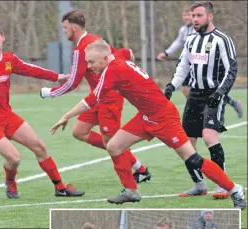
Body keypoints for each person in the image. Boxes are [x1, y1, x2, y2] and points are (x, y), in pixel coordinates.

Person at [50, 38, 245, 209]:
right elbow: (128, 52)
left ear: (104, 58)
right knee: (114, 146)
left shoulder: (114, 69)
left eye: (91, 62)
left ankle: (235, 189)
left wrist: (66, 116)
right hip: (146, 116)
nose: (89, 67)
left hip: (164, 117)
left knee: (192, 159)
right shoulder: (118, 60)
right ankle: (131, 191)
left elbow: (92, 99)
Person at [0, 23, 84, 198]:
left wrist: (56, 77)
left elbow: (30, 70)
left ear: (2, 37)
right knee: (14, 158)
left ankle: (60, 187)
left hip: (6, 115)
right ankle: (10, 181)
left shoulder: (9, 59)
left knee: (40, 147)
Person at [40, 9, 151, 184]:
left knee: (112, 143)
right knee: (79, 132)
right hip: (98, 97)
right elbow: (124, 53)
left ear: (74, 28)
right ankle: (137, 167)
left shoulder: (81, 49)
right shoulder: (96, 40)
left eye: (65, 27)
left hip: (109, 98)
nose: (64, 31)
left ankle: (139, 171)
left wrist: (47, 93)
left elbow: (72, 84)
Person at [164, 1, 241, 199]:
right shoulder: (190, 39)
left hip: (214, 94)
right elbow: (183, 66)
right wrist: (171, 86)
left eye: (199, 16)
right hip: (194, 95)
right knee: (185, 143)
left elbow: (231, 70)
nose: (195, 20)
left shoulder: (222, 39)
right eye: (194, 16)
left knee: (209, 136)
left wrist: (219, 93)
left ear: (210, 16)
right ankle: (199, 185)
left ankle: (223, 185)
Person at [156, 6, 243, 117]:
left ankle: (229, 103)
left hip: (202, 64)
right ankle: (201, 107)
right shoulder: (183, 30)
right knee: (186, 89)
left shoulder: (199, 29)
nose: (188, 18)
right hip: (190, 63)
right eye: (186, 15)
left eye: (190, 15)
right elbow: (178, 42)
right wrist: (166, 53)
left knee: (208, 89)